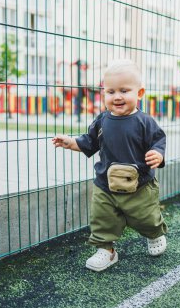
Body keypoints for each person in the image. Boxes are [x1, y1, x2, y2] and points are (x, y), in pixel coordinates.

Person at [52, 59, 167, 272]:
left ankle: (154, 233)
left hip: (139, 184)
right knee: (102, 218)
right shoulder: (102, 120)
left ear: (139, 93)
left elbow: (158, 140)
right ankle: (106, 250)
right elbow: (89, 142)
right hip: (106, 183)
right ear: (104, 94)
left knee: (146, 217)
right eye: (111, 91)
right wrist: (70, 143)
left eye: (124, 90)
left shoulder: (145, 121)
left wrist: (157, 154)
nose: (117, 97)